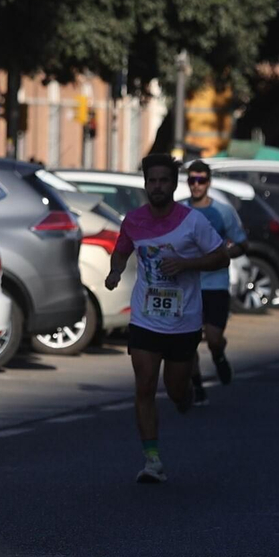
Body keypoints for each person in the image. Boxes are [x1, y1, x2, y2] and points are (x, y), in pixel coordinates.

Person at [105, 155, 228, 483]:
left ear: (174, 184)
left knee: (175, 392)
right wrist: (116, 270)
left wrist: (187, 264)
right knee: (144, 386)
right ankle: (152, 460)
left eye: (163, 181)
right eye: (152, 181)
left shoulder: (193, 222)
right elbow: (122, 249)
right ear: (145, 183)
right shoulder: (133, 219)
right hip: (145, 319)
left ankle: (186, 389)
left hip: (184, 320)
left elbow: (221, 257)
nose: (157, 187)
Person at [183, 160, 247, 405]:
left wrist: (220, 257)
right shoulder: (180, 211)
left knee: (213, 337)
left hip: (215, 284)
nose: (196, 185)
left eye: (201, 180)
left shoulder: (222, 211)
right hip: (188, 286)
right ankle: (198, 386)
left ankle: (219, 355)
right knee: (188, 341)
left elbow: (242, 244)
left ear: (208, 183)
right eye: (192, 180)